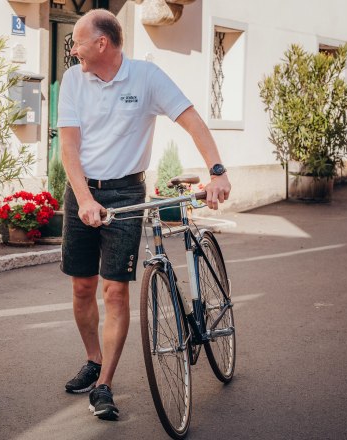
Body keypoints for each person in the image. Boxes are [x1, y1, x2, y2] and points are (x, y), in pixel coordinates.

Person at [57, 10, 232, 420]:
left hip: (125, 191)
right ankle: (93, 359)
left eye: (77, 41)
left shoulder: (146, 78)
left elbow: (192, 121)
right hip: (81, 189)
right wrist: (83, 198)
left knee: (114, 291)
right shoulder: (73, 79)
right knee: (83, 287)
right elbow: (68, 148)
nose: (72, 49)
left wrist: (218, 170)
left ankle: (105, 385)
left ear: (102, 44)